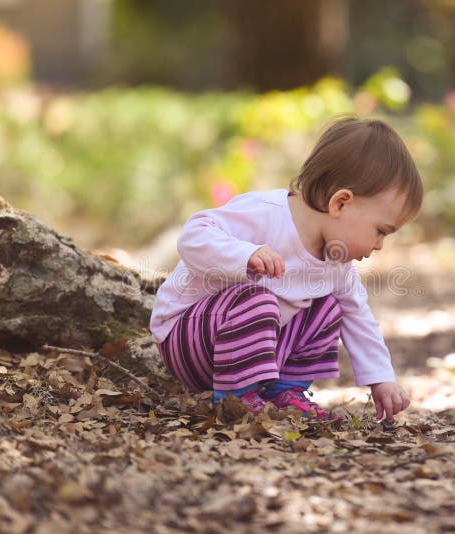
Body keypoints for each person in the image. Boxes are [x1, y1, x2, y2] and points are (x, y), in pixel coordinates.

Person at [149, 115, 423, 421]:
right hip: (189, 338)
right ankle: (234, 400)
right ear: (340, 203)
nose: (379, 245)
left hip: (251, 356)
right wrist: (244, 254)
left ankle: (284, 391)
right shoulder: (266, 214)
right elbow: (193, 235)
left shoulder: (336, 263)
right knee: (259, 298)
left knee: (330, 308)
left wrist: (380, 379)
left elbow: (358, 316)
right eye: (381, 231)